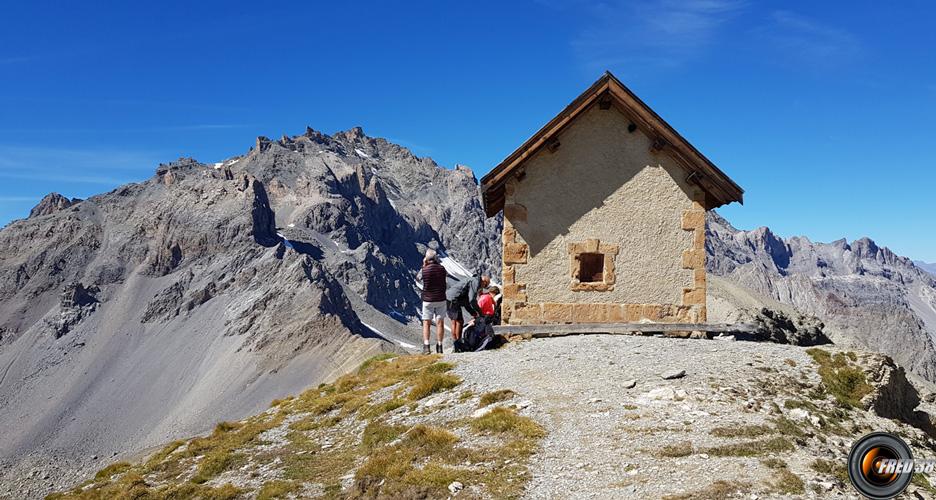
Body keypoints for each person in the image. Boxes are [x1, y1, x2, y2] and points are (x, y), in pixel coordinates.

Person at [416, 249, 447, 354]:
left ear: (426, 258)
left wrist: (423, 265)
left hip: (428, 299)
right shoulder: (442, 269)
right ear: (435, 258)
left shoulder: (424, 270)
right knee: (440, 322)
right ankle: (439, 346)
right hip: (441, 298)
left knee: (426, 322)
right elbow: (445, 276)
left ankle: (426, 346)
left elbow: (418, 279)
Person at [446, 273, 490, 344]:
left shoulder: (472, 280)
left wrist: (473, 313)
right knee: (459, 321)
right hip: (453, 300)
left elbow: (466, 302)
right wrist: (480, 312)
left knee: (454, 321)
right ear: (484, 281)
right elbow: (472, 300)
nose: (483, 288)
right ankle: (458, 343)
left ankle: (456, 342)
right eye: (485, 286)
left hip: (449, 298)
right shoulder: (475, 282)